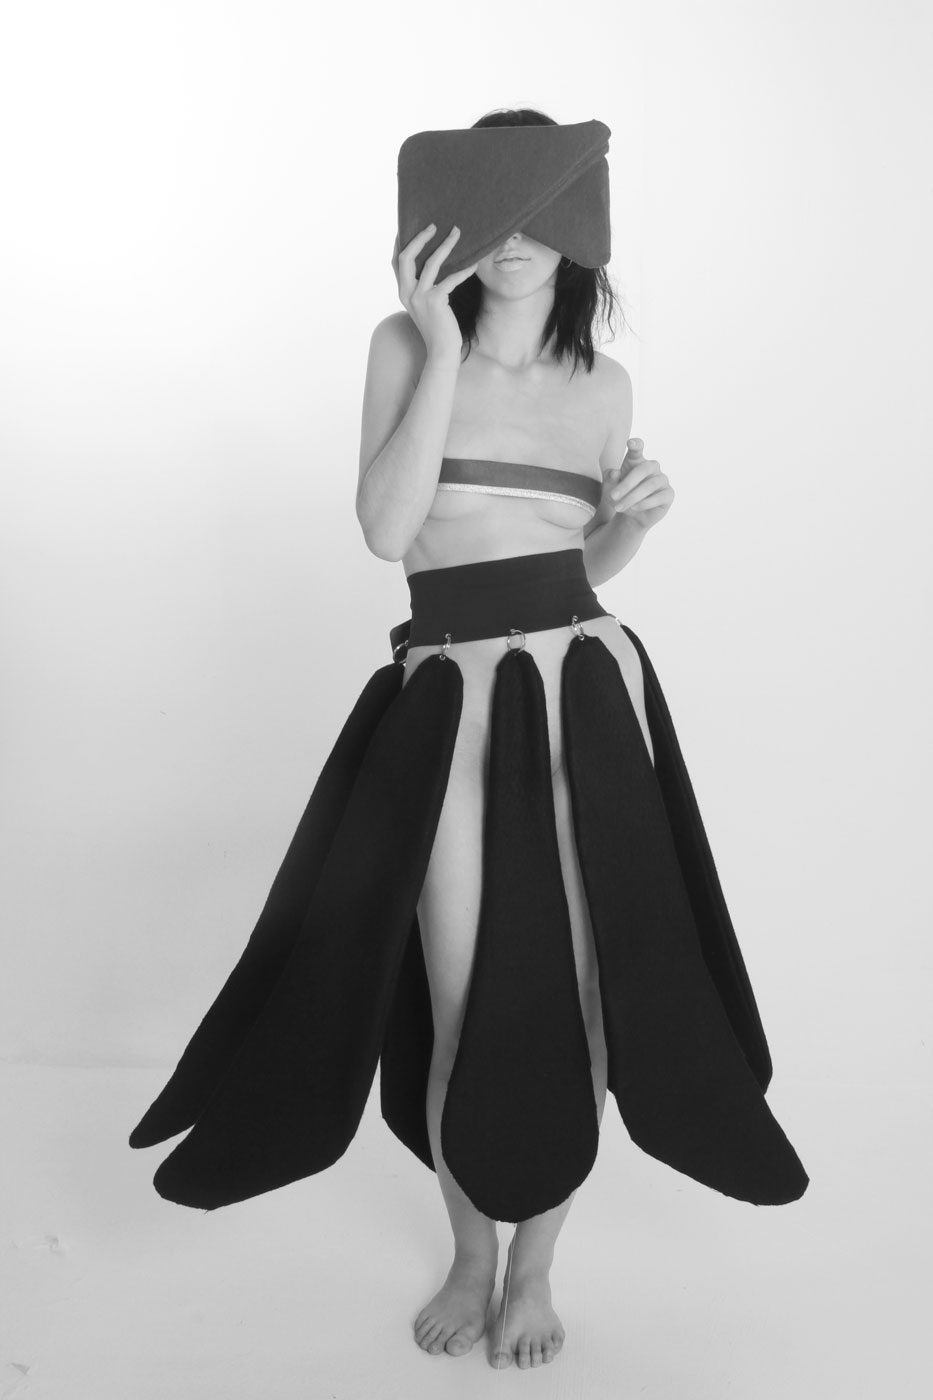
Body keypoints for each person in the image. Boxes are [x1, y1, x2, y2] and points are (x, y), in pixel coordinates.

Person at [129, 107, 808, 1374]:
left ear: (582, 236)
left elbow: (579, 564)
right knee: (465, 996)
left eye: (544, 215)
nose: (516, 241)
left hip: (588, 687)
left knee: (588, 993)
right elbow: (390, 533)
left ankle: (537, 1265)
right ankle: (469, 1252)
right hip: (455, 697)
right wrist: (440, 346)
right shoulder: (403, 343)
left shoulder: (605, 383)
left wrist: (633, 524)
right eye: (493, 215)